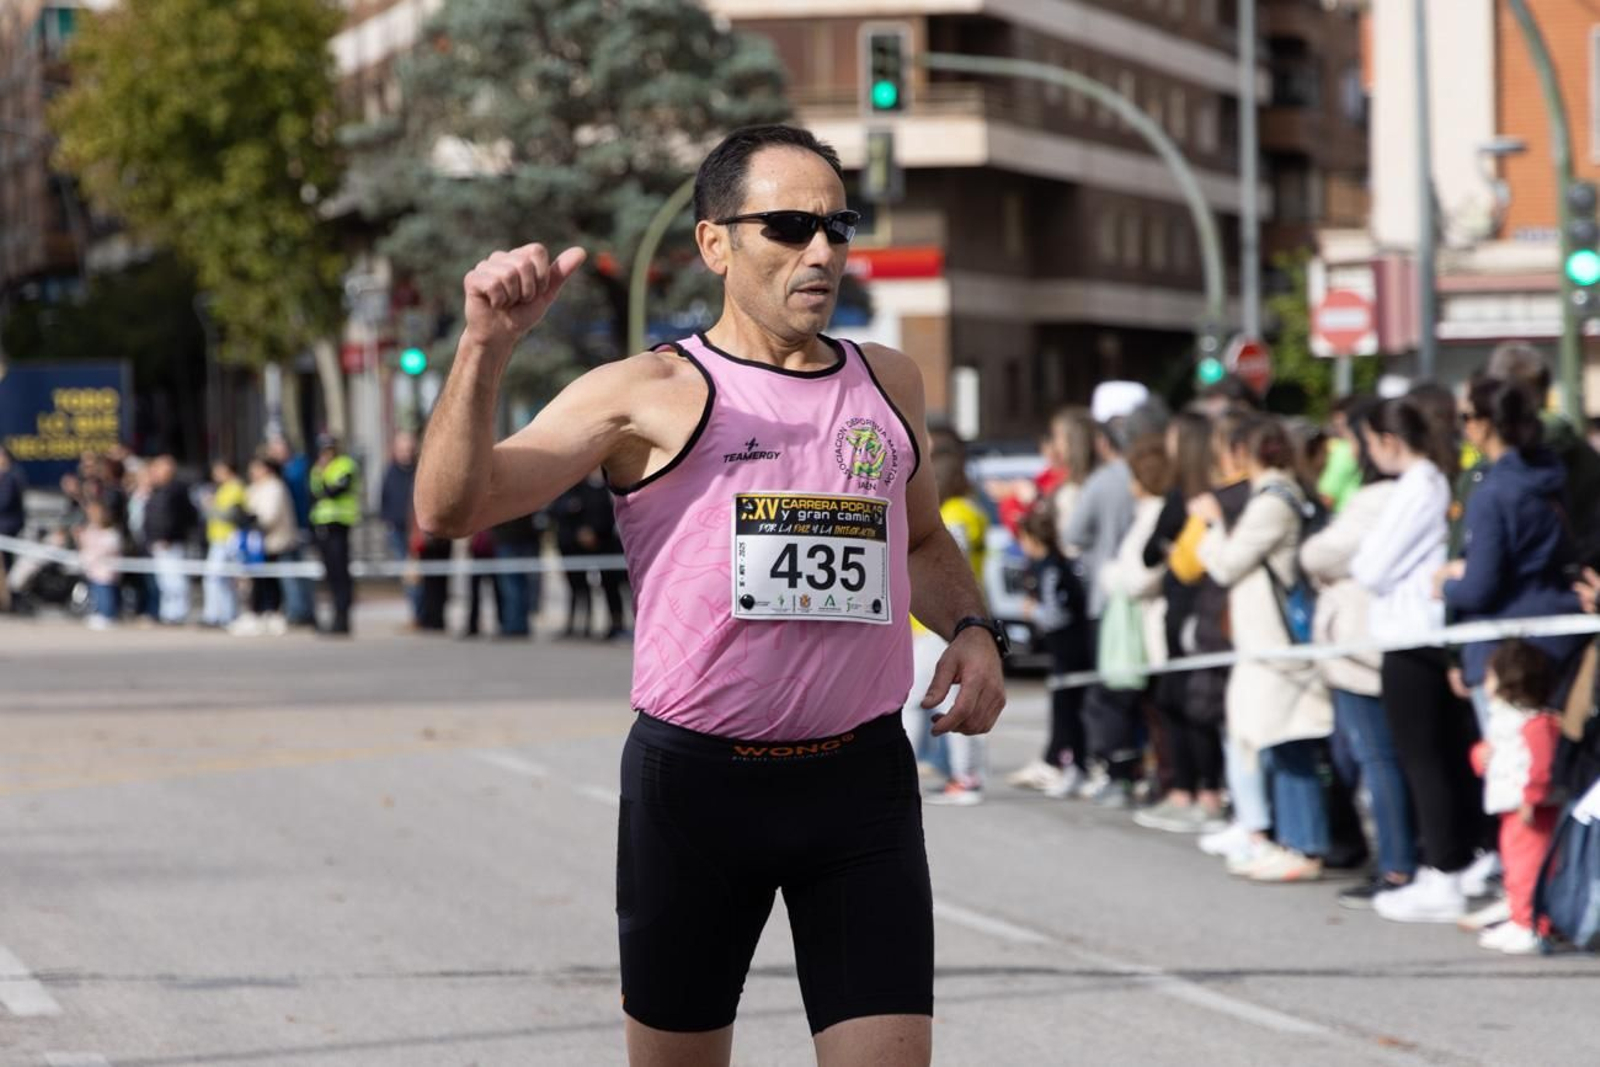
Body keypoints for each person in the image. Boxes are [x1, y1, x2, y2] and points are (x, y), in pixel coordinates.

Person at [412, 124, 1006, 1067]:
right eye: (788, 226)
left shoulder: (889, 381)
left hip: (858, 785)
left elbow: (921, 535)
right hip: (696, 790)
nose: (822, 251)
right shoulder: (646, 392)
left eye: (837, 226)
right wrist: (485, 346)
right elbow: (452, 507)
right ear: (714, 244)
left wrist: (972, 627)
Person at [1353, 395, 1482, 923]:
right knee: (1444, 755)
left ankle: (1444, 870)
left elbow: (1370, 567)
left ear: (1388, 440)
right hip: (1421, 632)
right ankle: (1455, 859)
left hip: (1411, 635)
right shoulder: (1434, 481)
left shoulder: (1419, 484)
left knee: (1424, 759)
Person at [1193, 416, 1333, 883]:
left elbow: (1228, 565)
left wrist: (1212, 527)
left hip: (1276, 645)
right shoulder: (1280, 494)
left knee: (1288, 740)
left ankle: (1304, 843)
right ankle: (1286, 838)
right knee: (1273, 740)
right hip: (1265, 642)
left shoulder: (1274, 499)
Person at [1300, 398, 1417, 907]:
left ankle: (1395, 865)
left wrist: (1331, 563)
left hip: (1360, 641)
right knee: (1379, 757)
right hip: (1364, 637)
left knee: (1379, 758)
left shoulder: (1381, 497)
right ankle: (1397, 859)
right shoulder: (1404, 491)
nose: (1352, 449)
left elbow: (1320, 553)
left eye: (1358, 440)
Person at [1439, 375, 1587, 727]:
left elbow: (1480, 588)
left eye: (1467, 418)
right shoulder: (1549, 477)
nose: (1464, 428)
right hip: (1560, 640)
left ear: (1487, 425)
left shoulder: (1493, 494)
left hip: (1507, 659)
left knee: (1515, 769)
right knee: (1553, 765)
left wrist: (1445, 584)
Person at [1134, 411, 1227, 833]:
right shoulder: (1219, 493)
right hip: (1212, 608)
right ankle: (1203, 791)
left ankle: (1191, 792)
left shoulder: (1181, 497)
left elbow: (1149, 553)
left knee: (1180, 700)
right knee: (1200, 701)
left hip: (1184, 608)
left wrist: (1172, 544)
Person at [904, 436, 990, 805]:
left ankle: (962, 778)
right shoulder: (971, 511)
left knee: (929, 702)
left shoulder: (953, 516)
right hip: (956, 623)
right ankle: (965, 776)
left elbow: (950, 567)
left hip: (941, 627)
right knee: (950, 702)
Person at [1471, 640, 1564, 955]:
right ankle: (1519, 919)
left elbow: (1542, 768)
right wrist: (1480, 756)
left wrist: (1532, 798)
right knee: (1515, 870)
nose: (1485, 684)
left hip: (1530, 811)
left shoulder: (1537, 723)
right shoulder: (1506, 719)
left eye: (1489, 677)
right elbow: (1494, 756)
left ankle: (1534, 925)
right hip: (1510, 809)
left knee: (1530, 870)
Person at [1017, 505, 1092, 798]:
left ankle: (1075, 768)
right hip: (1065, 651)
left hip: (1071, 652)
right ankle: (1068, 766)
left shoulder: (1050, 567)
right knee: (1066, 710)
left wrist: (1033, 611)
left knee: (1068, 712)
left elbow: (1056, 613)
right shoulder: (1052, 564)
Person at [232, 455, 298, 636]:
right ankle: (258, 614)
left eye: (256, 468)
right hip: (256, 544)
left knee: (271, 580)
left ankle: (274, 614)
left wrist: (252, 519)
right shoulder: (254, 488)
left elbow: (269, 516)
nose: (252, 472)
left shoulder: (274, 487)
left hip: (273, 542)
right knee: (257, 581)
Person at [310, 434, 360, 635]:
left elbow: (334, 491)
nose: (326, 454)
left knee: (341, 574)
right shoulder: (317, 469)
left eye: (329, 449)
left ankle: (343, 618)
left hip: (340, 524)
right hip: (322, 526)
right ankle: (335, 617)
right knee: (330, 575)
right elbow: (316, 492)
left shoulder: (345, 464)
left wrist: (326, 486)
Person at [143, 455, 197, 625]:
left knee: (175, 580)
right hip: (157, 542)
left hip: (172, 542)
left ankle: (178, 613)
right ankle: (168, 612)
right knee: (164, 581)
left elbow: (180, 517)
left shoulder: (176, 490)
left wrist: (169, 536)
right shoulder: (156, 491)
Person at [381, 432, 423, 627]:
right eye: (402, 449)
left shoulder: (419, 470)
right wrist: (388, 523)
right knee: (407, 575)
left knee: (416, 575)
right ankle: (415, 613)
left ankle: (419, 615)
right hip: (397, 530)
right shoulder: (390, 472)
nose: (406, 453)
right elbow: (384, 498)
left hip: (416, 531)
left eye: (408, 448)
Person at [201, 458, 247, 627]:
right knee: (220, 579)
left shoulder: (235, 488)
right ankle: (222, 615)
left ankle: (219, 615)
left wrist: (211, 506)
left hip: (228, 539)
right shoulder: (223, 488)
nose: (215, 474)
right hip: (219, 538)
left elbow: (232, 516)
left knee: (217, 578)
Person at [76, 498, 122, 630]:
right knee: (96, 592)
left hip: (105, 569)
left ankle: (107, 614)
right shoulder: (90, 529)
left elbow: (111, 547)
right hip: (93, 569)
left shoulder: (111, 532)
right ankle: (99, 613)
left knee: (105, 593)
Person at [0, 445, 26, 608]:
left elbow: (5, 502)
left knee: (6, 567)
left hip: (7, 527)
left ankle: (8, 600)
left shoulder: (12, 476)